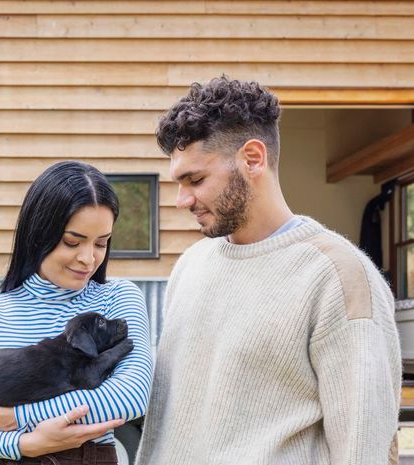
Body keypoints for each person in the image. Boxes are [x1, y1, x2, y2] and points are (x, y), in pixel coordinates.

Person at [135, 77, 401, 465]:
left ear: (253, 158)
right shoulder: (192, 265)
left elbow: (363, 448)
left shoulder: (338, 276)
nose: (182, 200)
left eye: (196, 180)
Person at [0, 161, 154, 464]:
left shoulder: (115, 299)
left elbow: (130, 397)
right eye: (72, 241)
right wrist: (25, 443)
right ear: (38, 233)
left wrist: (12, 417)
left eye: (102, 243)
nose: (88, 258)